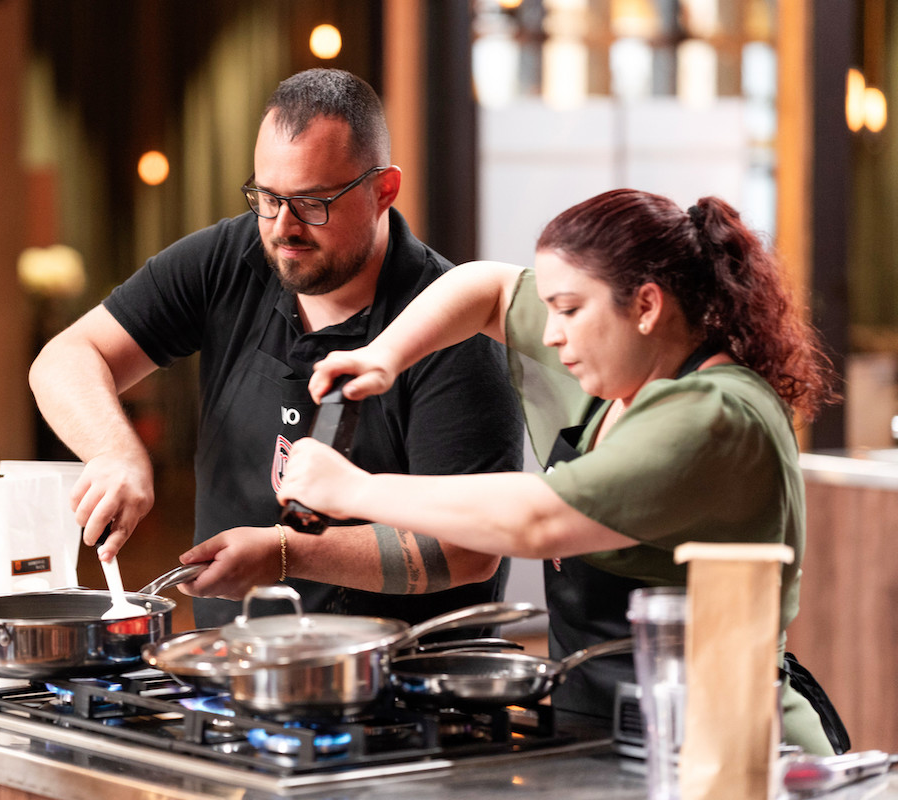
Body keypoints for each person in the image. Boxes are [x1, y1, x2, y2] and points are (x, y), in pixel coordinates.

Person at [279, 189, 839, 753]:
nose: (550, 334)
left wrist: (354, 489)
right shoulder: (621, 372)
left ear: (646, 306)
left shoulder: (715, 417)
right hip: (609, 737)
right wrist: (383, 356)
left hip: (729, 750)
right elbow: (491, 290)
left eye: (569, 309)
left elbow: (542, 519)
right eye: (548, 308)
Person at [28, 68, 524, 629]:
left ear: (383, 190)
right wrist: (114, 450)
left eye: (313, 202)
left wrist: (286, 553)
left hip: (397, 680)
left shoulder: (452, 328)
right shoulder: (228, 258)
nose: (283, 227)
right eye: (267, 196)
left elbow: (470, 550)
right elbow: (67, 356)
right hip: (231, 666)